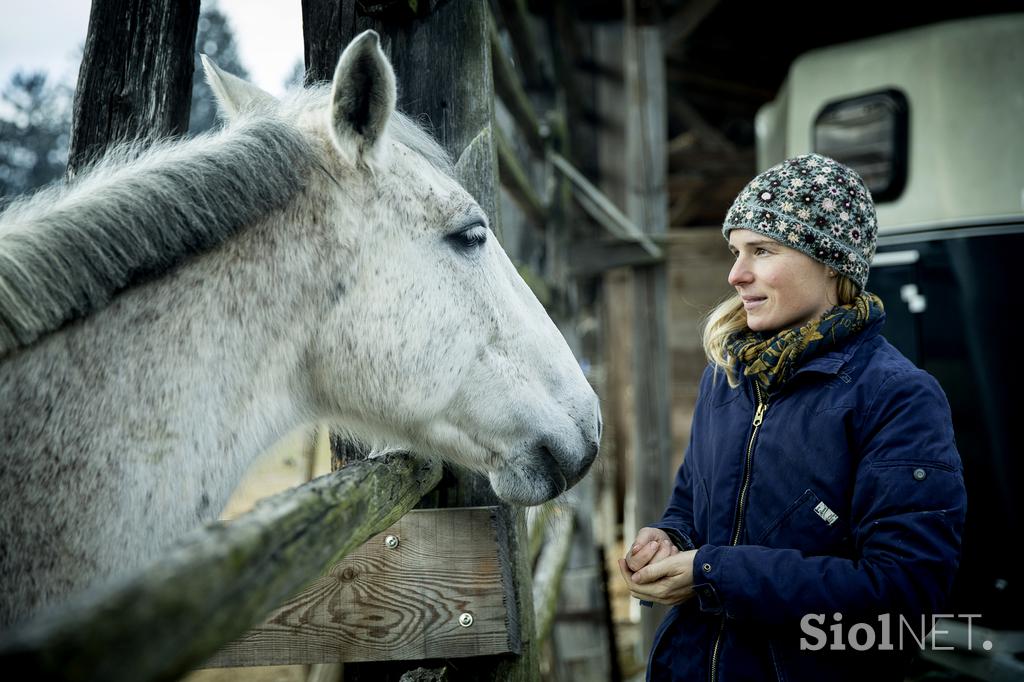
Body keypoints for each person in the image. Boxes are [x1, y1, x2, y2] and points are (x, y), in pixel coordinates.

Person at [618, 153, 967, 681]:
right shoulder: (728, 374)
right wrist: (669, 541)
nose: (736, 274)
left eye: (762, 250)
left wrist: (713, 573)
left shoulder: (897, 397)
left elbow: (903, 597)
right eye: (735, 251)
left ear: (830, 261)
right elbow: (693, 508)